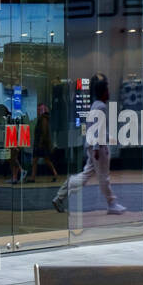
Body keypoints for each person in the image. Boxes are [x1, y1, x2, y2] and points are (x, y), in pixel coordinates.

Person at [52, 74, 126, 215]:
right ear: (103, 92)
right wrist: (98, 149)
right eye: (107, 89)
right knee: (104, 177)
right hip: (98, 148)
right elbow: (97, 130)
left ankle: (60, 195)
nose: (109, 92)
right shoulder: (101, 107)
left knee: (85, 176)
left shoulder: (95, 106)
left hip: (93, 147)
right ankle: (111, 203)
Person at [29, 104, 59, 182]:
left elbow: (44, 131)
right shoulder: (43, 118)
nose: (37, 111)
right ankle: (33, 177)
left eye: (39, 110)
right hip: (41, 143)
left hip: (41, 143)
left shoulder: (43, 119)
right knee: (42, 160)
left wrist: (40, 142)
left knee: (39, 160)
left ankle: (33, 177)